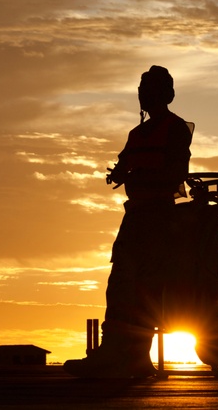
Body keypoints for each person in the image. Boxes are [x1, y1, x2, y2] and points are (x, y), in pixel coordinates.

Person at [63, 66, 193, 378]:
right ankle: (114, 350)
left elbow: (177, 172)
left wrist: (140, 175)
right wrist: (120, 174)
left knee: (145, 284)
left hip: (159, 216)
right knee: (120, 282)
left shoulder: (175, 129)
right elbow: (124, 163)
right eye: (141, 88)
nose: (143, 94)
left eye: (148, 89)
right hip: (136, 215)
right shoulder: (137, 134)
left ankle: (135, 355)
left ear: (164, 95)